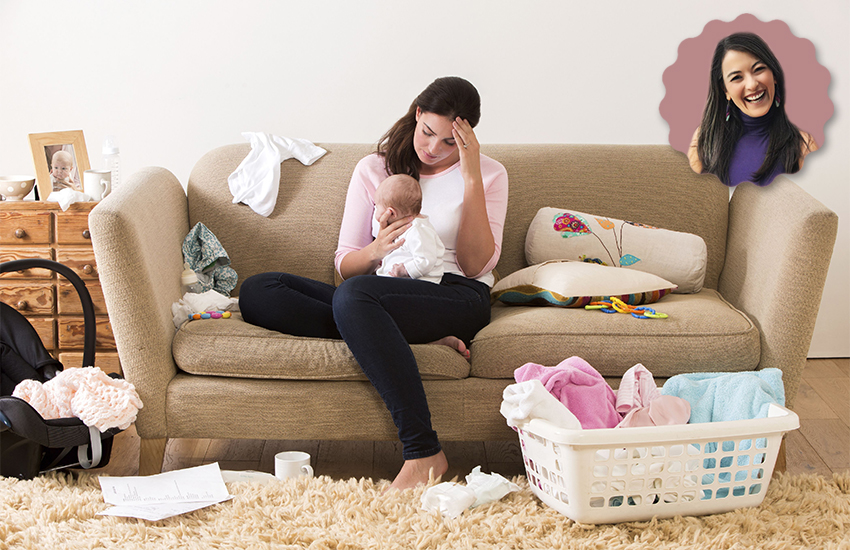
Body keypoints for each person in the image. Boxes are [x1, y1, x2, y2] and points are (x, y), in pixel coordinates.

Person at [238, 76, 509, 490]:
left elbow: (475, 266)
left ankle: (424, 452)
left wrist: (470, 176)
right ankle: (395, 334)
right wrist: (377, 249)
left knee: (354, 299)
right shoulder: (374, 169)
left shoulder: (490, 174)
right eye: (428, 133)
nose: (433, 149)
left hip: (457, 295)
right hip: (382, 291)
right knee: (260, 290)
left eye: (449, 143)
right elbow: (346, 265)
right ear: (417, 114)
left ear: (468, 138)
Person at [687, 32, 818, 187]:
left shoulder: (803, 144)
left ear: (774, 75)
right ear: (725, 91)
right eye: (736, 77)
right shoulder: (704, 139)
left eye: (759, 69)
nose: (752, 85)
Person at [372, 174, 445, 283]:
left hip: (419, 284)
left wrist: (405, 270)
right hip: (398, 281)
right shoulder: (403, 229)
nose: (376, 212)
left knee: (355, 288)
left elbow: (426, 260)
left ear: (391, 213)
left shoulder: (418, 230)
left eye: (377, 207)